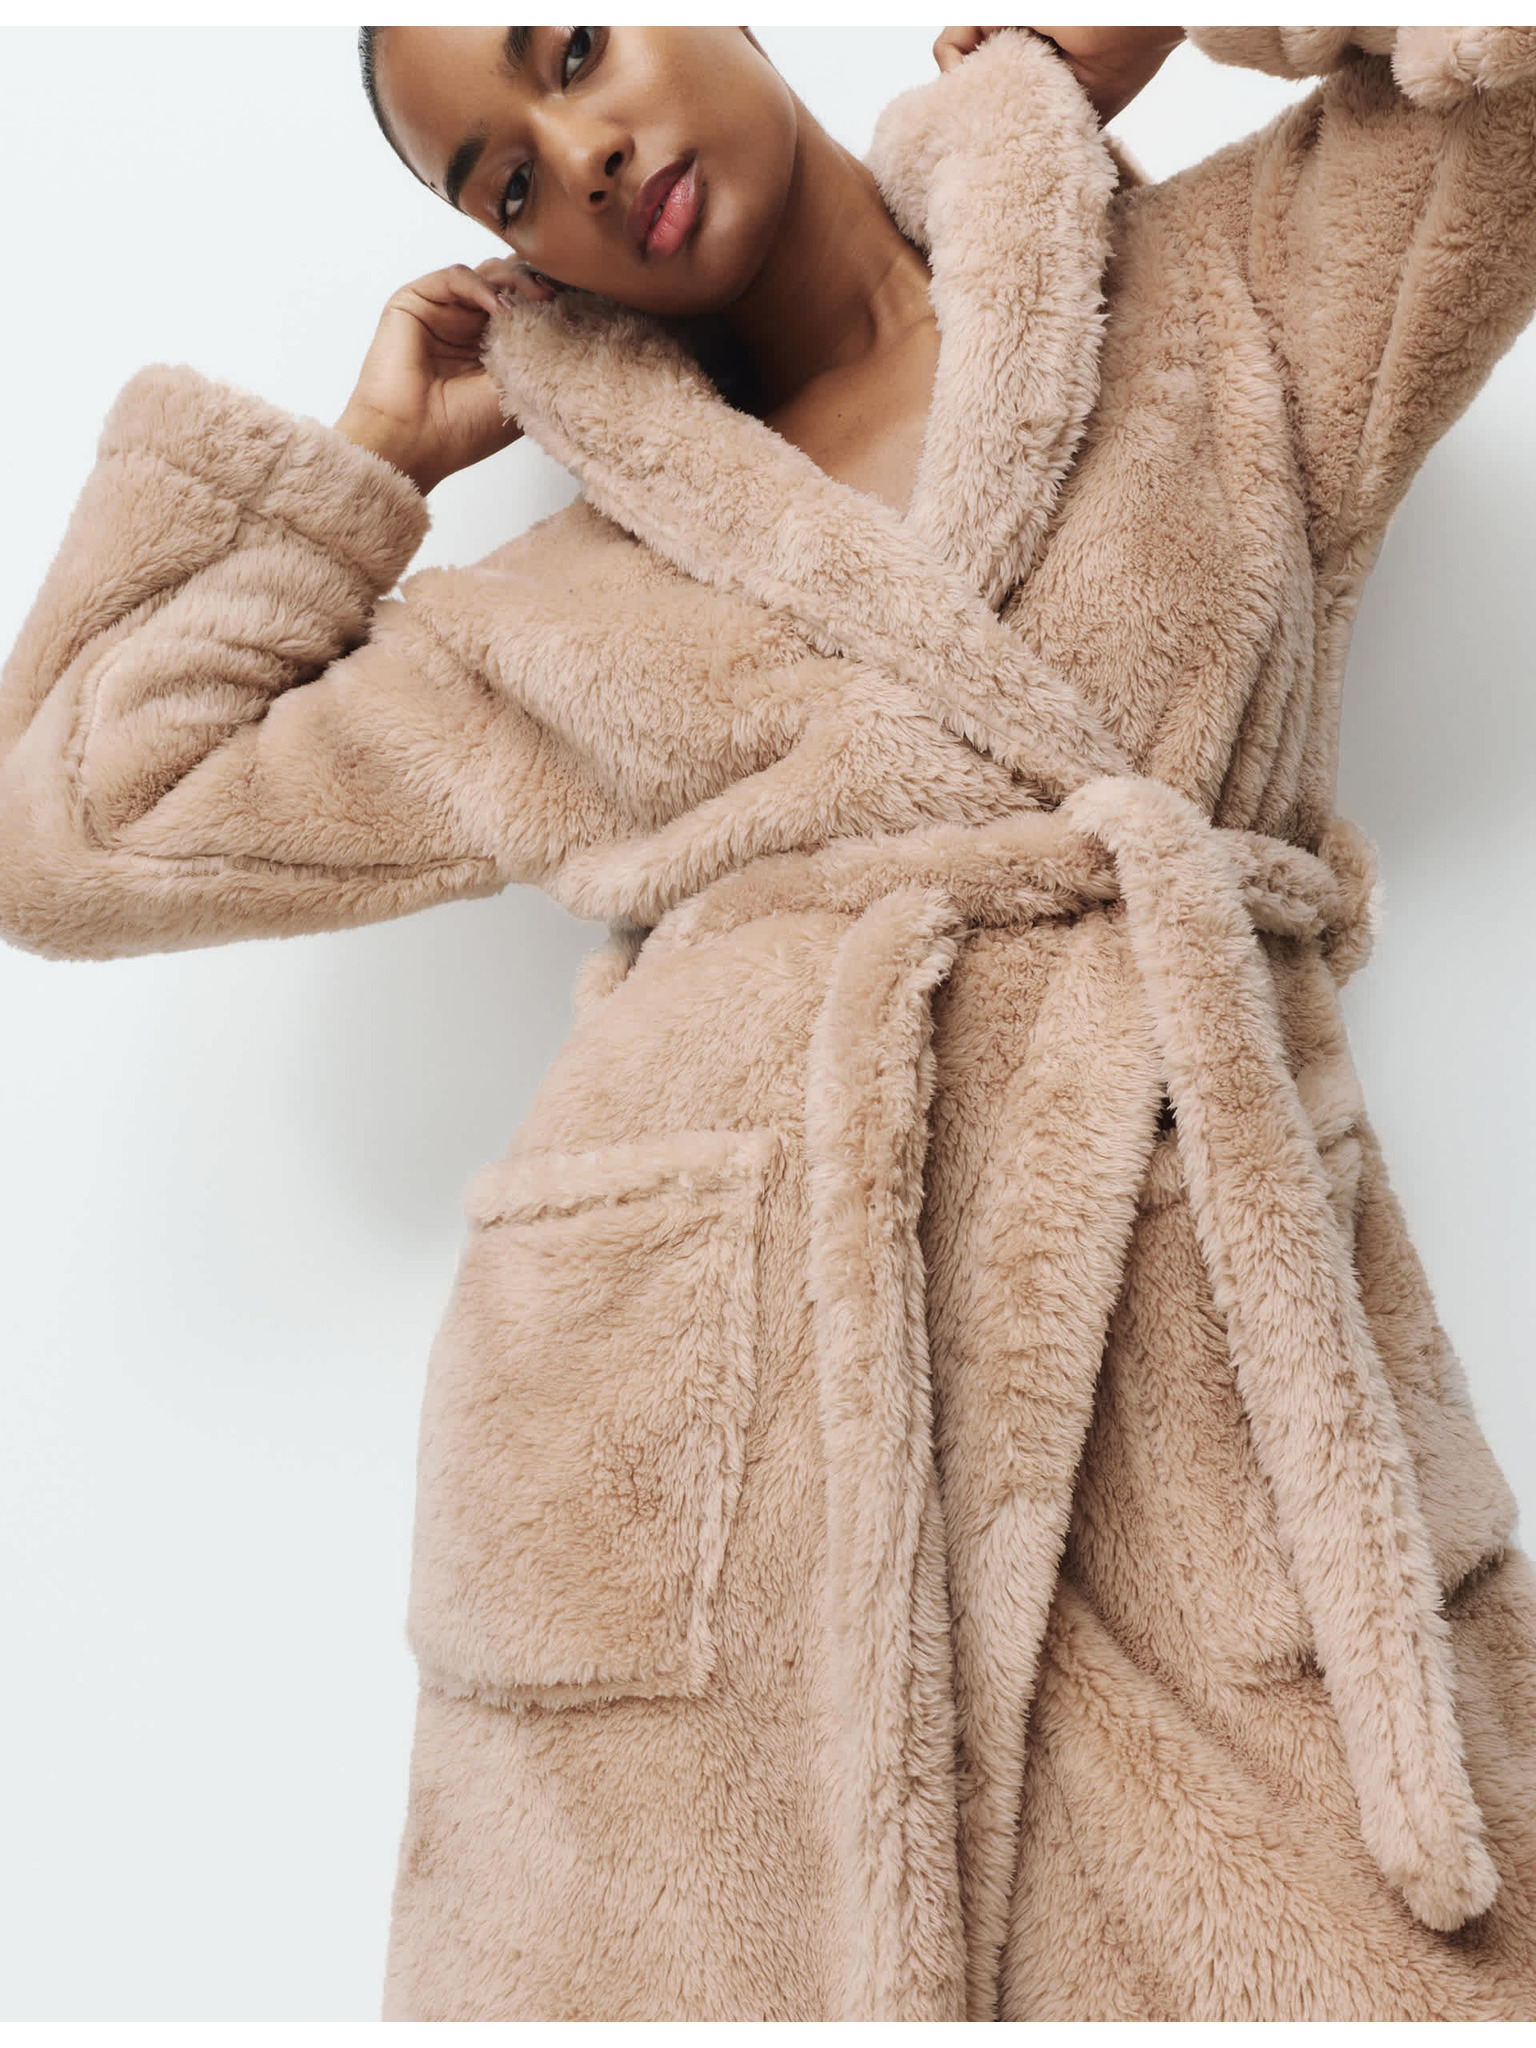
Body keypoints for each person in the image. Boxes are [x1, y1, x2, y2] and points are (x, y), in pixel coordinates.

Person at [2, 22, 1534, 2022]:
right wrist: (369, 464)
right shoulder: (561, 615)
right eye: (505, 181)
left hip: (1205, 1424)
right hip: (725, 1491)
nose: (579, 151)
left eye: (572, 48)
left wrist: (1141, 33)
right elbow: (82, 828)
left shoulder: (1229, 302)